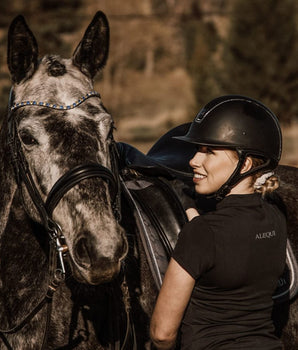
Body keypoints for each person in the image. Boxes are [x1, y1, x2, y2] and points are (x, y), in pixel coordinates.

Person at [150, 95, 287, 350]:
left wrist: (194, 229)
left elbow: (162, 333)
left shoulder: (202, 234)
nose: (193, 161)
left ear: (245, 163)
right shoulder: (276, 219)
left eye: (208, 151)